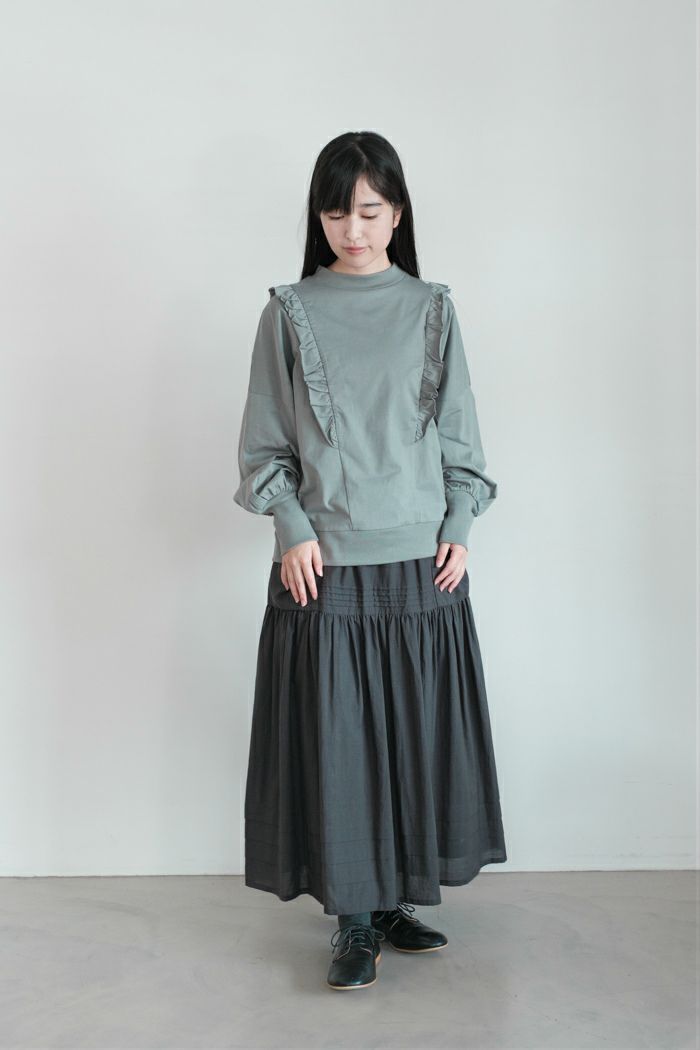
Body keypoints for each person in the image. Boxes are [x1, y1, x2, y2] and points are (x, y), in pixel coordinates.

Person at [233, 130, 507, 991]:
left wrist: (460, 520)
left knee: (412, 741)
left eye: (369, 211)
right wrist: (291, 527)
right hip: (324, 563)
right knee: (341, 745)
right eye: (335, 213)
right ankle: (353, 918)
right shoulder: (289, 312)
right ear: (317, 219)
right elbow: (265, 444)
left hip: (423, 561)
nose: (352, 230)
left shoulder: (433, 308)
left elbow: (460, 432)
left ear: (397, 213)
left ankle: (391, 902)